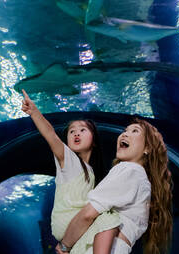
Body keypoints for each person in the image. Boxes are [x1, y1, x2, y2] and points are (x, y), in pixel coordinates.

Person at [20, 90, 121, 254]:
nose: (76, 133)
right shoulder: (69, 160)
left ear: (94, 140)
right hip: (70, 223)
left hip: (75, 226)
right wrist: (34, 112)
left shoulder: (91, 173)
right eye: (72, 131)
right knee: (111, 218)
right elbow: (50, 134)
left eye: (82, 130)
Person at [55, 118, 173, 254]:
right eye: (125, 131)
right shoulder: (142, 181)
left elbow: (87, 215)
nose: (124, 134)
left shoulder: (129, 170)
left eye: (135, 131)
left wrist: (64, 246)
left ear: (147, 148)